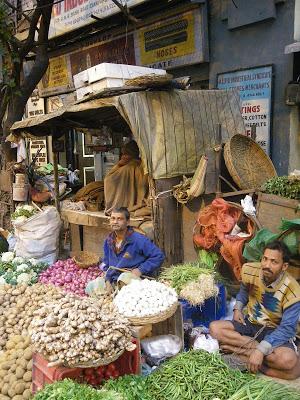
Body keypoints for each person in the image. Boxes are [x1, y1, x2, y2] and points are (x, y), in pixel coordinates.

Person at [210, 241, 300, 380]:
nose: (266, 265)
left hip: (275, 331)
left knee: (287, 360)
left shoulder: (293, 290)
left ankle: (241, 353)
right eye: (265, 259)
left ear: (284, 266)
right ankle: (255, 359)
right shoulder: (250, 270)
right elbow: (245, 290)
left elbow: (287, 328)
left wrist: (260, 350)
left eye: (274, 262)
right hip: (251, 323)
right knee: (215, 328)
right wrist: (238, 308)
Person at [101, 207, 165, 285]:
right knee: (92, 285)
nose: (115, 222)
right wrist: (107, 280)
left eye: (119, 219)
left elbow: (158, 256)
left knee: (125, 278)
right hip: (114, 279)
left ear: (128, 222)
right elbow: (106, 264)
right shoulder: (109, 240)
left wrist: (140, 270)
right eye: (113, 218)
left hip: (133, 280)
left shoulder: (138, 239)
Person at [104, 140, 150, 216]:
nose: (123, 156)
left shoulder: (128, 168)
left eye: (125, 154)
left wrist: (118, 165)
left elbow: (108, 180)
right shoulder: (142, 167)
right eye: (123, 154)